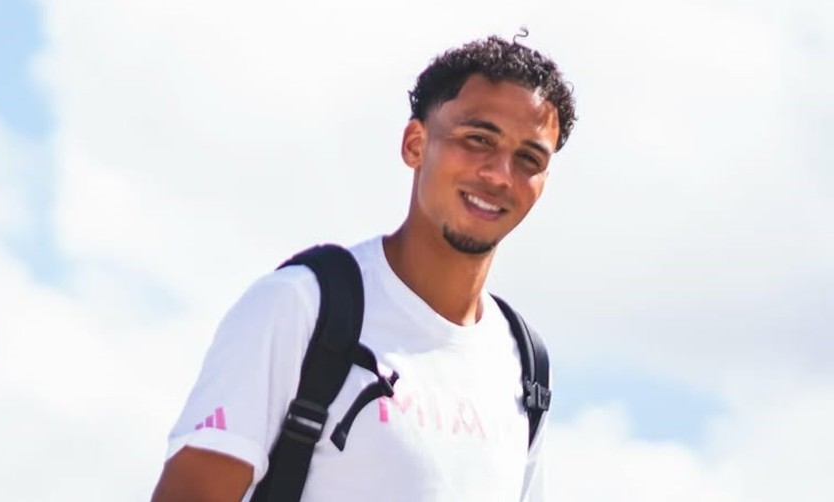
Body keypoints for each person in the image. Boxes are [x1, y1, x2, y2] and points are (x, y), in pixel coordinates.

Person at [150, 35, 578, 502]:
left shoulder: (526, 366)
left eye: (529, 159)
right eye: (478, 140)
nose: (499, 175)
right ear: (415, 144)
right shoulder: (301, 307)